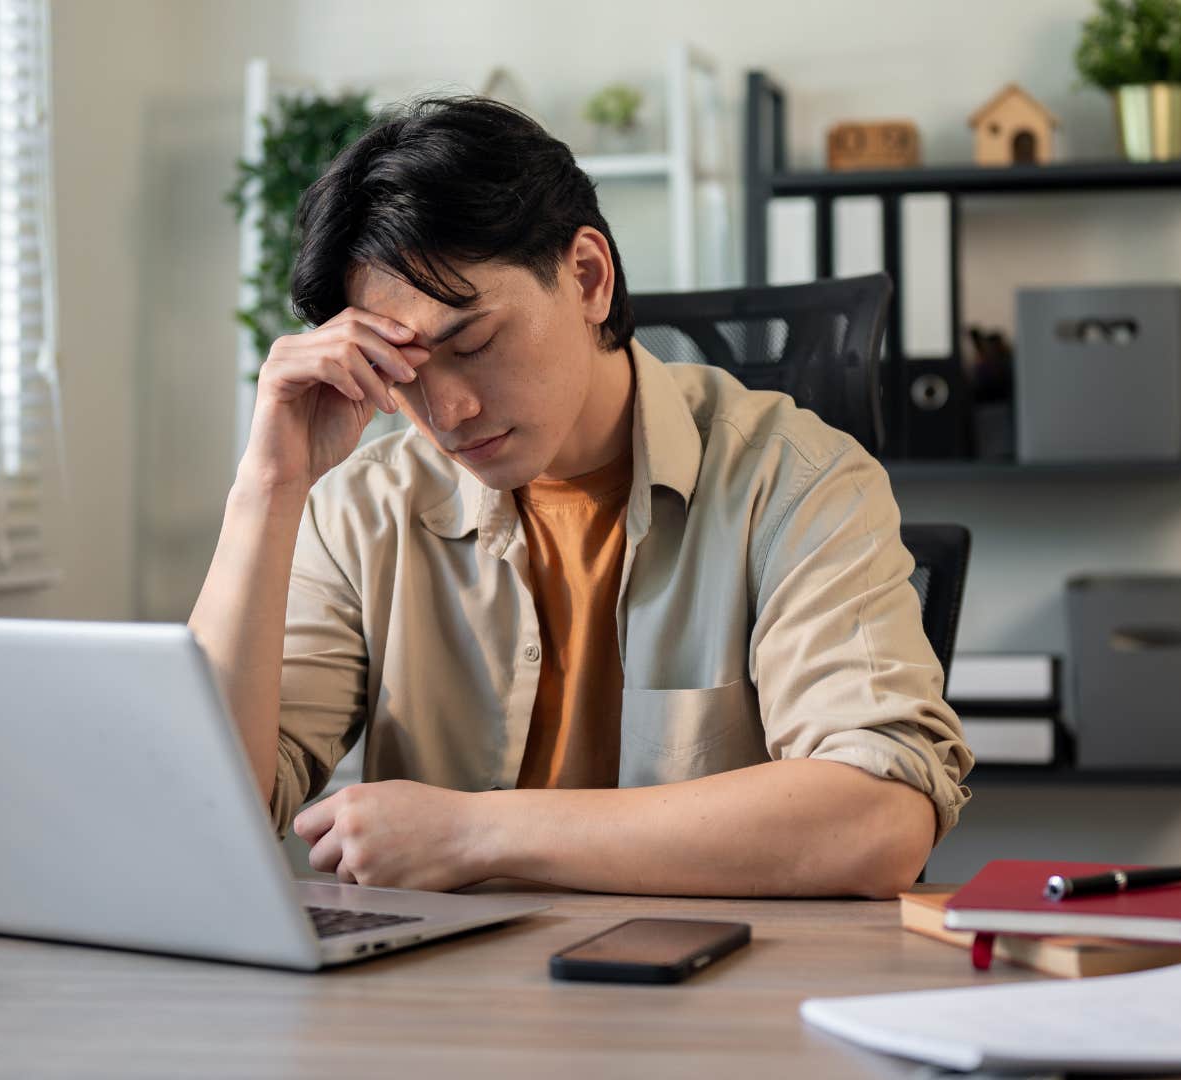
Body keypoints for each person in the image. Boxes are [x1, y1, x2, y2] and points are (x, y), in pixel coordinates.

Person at [188, 96, 972, 899]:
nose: (446, 413)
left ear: (588, 277)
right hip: (442, 1001)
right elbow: (207, 814)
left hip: (712, 992)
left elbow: (880, 818)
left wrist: (477, 833)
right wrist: (268, 487)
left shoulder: (796, 480)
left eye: (475, 343)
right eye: (403, 374)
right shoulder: (361, 510)